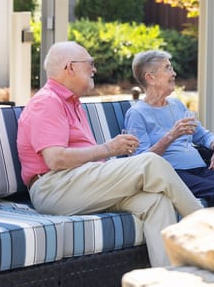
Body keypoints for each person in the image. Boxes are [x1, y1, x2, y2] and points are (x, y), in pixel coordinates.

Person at [17, 41, 203, 268]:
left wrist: (110, 157)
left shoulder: (72, 103)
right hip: (55, 187)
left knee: (157, 202)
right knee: (150, 163)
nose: (94, 69)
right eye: (90, 64)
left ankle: (166, 279)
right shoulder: (47, 102)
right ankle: (207, 226)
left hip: (80, 181)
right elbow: (55, 159)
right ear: (70, 68)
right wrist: (108, 149)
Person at [124, 50, 214, 207]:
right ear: (150, 78)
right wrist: (171, 135)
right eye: (168, 68)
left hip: (199, 168)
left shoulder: (176, 105)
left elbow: (202, 135)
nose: (174, 73)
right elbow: (141, 162)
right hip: (172, 174)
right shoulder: (136, 113)